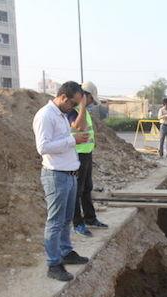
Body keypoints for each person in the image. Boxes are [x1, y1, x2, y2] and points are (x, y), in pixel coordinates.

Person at [33, 81, 90, 281]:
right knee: (55, 221)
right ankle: (53, 264)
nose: (73, 108)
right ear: (64, 97)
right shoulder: (45, 115)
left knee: (66, 219)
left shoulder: (61, 115)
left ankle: (66, 252)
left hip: (69, 174)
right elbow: (43, 147)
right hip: (56, 175)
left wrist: (74, 137)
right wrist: (73, 141)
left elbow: (64, 140)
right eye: (73, 104)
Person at [68, 81, 108, 238]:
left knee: (87, 188)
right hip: (76, 155)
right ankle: (77, 223)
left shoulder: (83, 111)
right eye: (91, 99)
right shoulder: (73, 110)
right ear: (85, 96)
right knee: (77, 191)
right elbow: (77, 127)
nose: (91, 103)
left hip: (86, 154)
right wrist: (83, 106)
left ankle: (90, 218)